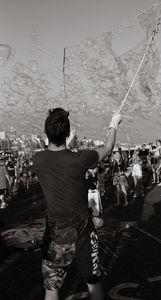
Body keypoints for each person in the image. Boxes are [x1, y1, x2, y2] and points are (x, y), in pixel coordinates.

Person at [33, 108, 121, 300]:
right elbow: (108, 148)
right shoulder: (80, 158)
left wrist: (67, 142)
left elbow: (56, 156)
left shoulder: (38, 160)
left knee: (52, 287)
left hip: (55, 234)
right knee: (93, 282)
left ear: (47, 133)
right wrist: (113, 123)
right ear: (67, 133)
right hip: (83, 232)